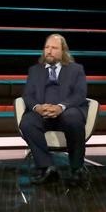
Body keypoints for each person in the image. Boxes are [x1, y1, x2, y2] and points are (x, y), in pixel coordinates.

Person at [19, 33, 88, 185]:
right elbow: (28, 95)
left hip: (67, 111)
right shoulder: (34, 70)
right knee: (27, 122)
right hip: (42, 112)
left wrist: (60, 107)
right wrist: (37, 107)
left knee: (73, 119)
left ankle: (77, 169)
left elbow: (80, 94)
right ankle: (47, 167)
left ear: (63, 51)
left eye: (54, 48)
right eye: (47, 47)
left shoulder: (76, 69)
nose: (49, 51)